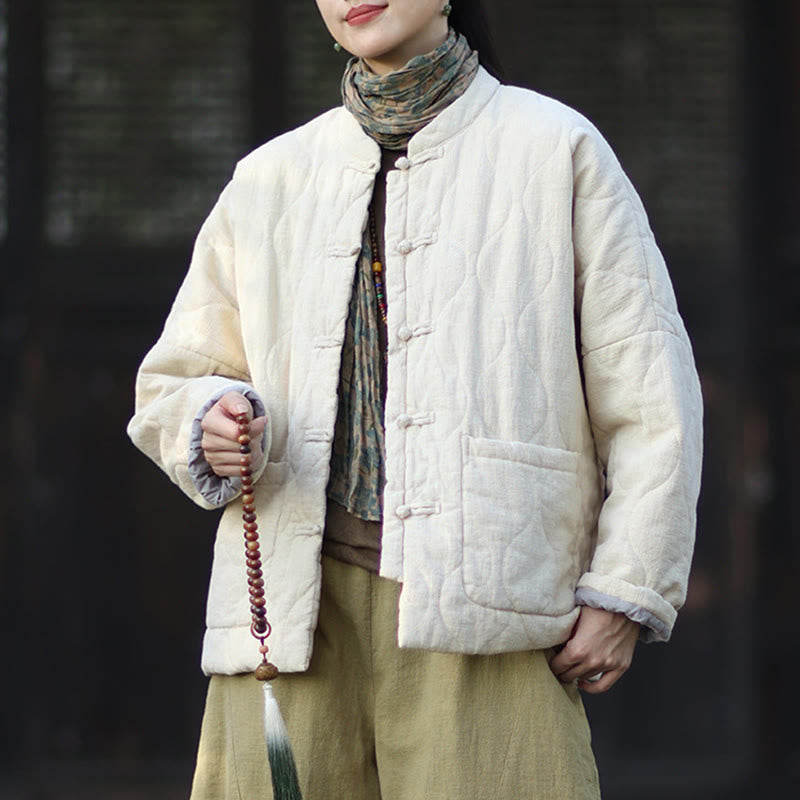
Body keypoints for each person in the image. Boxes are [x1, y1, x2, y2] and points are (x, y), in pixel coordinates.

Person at [128, 1, 703, 798]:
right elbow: (175, 379)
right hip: (289, 620)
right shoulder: (269, 178)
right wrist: (210, 420)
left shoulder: (555, 148)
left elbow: (651, 397)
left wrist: (628, 591)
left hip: (491, 612)